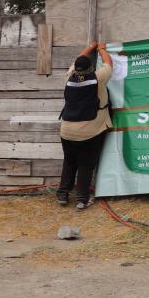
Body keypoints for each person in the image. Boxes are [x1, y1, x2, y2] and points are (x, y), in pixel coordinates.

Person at [56, 40, 113, 210]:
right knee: (86, 165)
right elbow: (109, 64)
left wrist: (90, 47)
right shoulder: (98, 78)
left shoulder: (69, 77)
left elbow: (78, 59)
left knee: (69, 162)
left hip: (66, 130)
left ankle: (62, 194)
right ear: (91, 68)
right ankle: (81, 199)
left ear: (77, 69)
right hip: (90, 131)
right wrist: (101, 48)